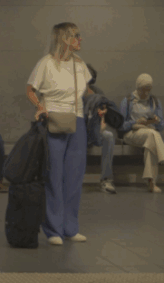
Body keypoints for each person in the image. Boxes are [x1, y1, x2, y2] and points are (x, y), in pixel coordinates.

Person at [26, 22, 92, 246]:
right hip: (54, 120)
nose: (80, 39)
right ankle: (53, 229)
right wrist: (40, 106)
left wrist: (100, 104)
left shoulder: (80, 64)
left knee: (74, 177)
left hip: (78, 121)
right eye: (76, 35)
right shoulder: (46, 63)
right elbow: (30, 90)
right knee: (53, 176)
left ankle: (70, 228)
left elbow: (87, 90)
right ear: (64, 38)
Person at [118, 73, 164, 193]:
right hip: (132, 133)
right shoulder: (127, 101)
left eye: (148, 90)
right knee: (152, 135)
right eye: (143, 90)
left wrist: (156, 121)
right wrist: (135, 121)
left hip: (149, 133)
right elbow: (121, 126)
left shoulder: (155, 101)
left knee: (151, 138)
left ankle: (152, 183)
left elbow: (161, 126)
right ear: (137, 88)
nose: (146, 93)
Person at [83, 66, 121, 194]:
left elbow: (102, 117)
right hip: (78, 130)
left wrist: (101, 118)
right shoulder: (73, 91)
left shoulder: (96, 92)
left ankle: (106, 180)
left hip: (94, 130)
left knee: (109, 136)